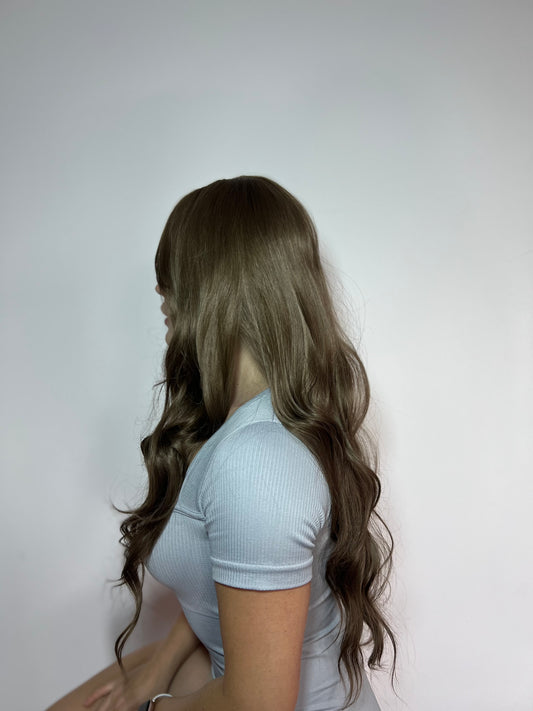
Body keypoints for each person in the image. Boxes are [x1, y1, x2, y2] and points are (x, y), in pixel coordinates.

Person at [46, 175, 398, 711]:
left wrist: (154, 707)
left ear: (219, 282)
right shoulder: (253, 425)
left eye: (174, 271)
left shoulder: (256, 463)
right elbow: (223, 588)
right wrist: (156, 671)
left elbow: (257, 704)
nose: (160, 292)